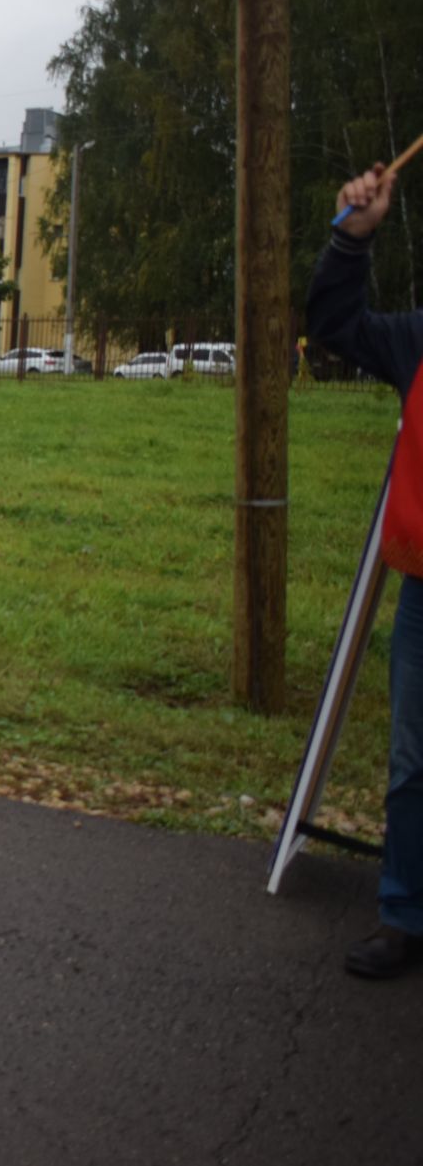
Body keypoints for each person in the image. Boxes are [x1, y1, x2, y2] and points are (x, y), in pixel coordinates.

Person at [307, 160, 423, 978]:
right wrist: (356, 232)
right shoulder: (418, 341)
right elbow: (336, 328)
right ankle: (403, 913)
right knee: (414, 762)